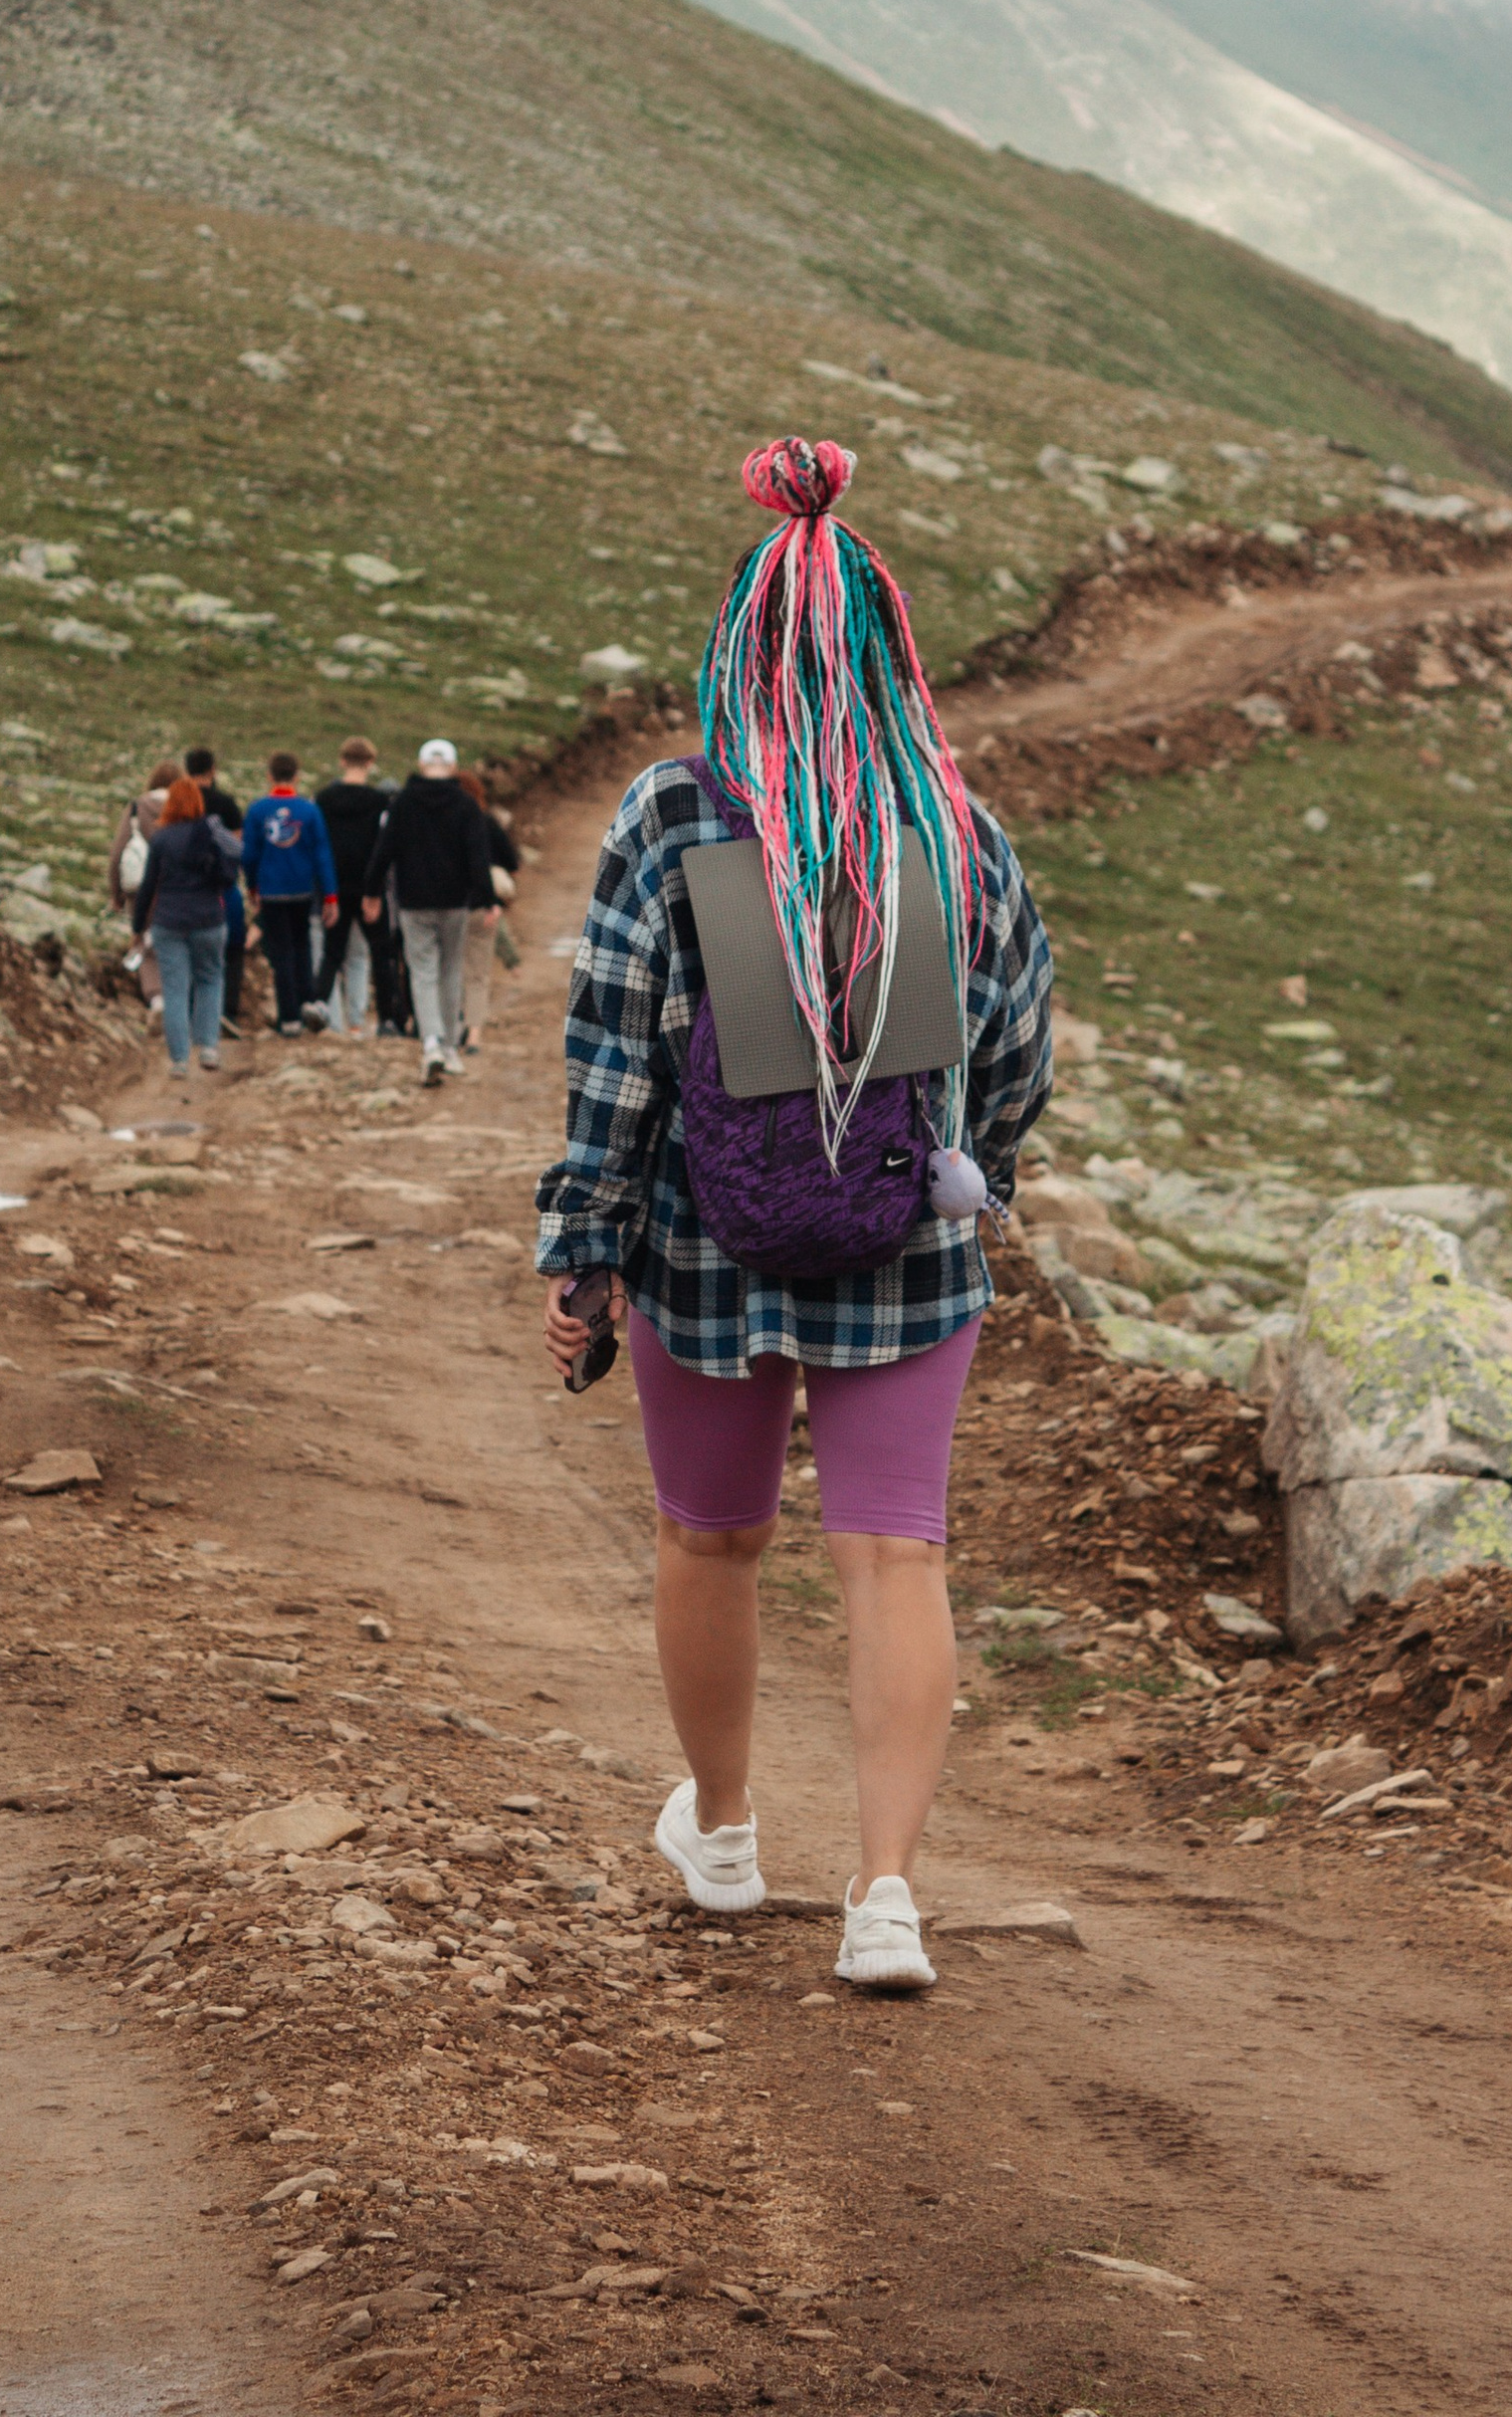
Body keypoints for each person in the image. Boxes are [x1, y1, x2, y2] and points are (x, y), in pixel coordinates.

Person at [535, 438, 1051, 1996]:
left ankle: (730, 1832)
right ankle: (885, 1897)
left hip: (705, 1245)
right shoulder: (955, 826)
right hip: (908, 1246)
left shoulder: (673, 813)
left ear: (739, 645)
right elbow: (1019, 1031)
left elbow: (615, 1048)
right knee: (897, 1557)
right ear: (888, 651)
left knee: (713, 1537)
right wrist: (971, 1174)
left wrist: (584, 1246)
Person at [364, 735, 496, 1082]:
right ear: (452, 767)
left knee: (422, 971)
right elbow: (477, 855)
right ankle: (451, 1047)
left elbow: (384, 849)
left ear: (422, 766)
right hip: (455, 902)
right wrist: (486, 898)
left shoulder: (404, 802)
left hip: (414, 902)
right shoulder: (466, 805)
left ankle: (432, 1042)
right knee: (452, 970)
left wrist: (372, 892)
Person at [130, 772, 242, 1073]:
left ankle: (179, 1060)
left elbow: (148, 885)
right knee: (210, 979)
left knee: (175, 989)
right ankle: (207, 1049)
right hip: (208, 918)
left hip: (169, 921)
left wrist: (138, 926)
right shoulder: (211, 830)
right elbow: (237, 855)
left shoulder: (162, 837)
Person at [240, 751, 339, 1037]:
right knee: (302, 947)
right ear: (296, 776)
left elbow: (249, 854)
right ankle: (308, 1003)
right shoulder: (309, 811)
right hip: (302, 890)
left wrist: (252, 887)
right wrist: (330, 895)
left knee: (280, 953)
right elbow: (322, 854)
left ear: (269, 776)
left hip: (271, 891)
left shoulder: (258, 810)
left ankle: (289, 1018)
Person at [314, 739, 395, 1037]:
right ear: (371, 763)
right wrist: (376, 890)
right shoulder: (379, 802)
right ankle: (386, 1019)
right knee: (381, 950)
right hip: (368, 887)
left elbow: (318, 846)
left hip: (335, 885)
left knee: (332, 950)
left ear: (342, 761)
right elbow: (383, 848)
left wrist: (326, 891)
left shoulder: (323, 798)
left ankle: (320, 1003)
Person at [107, 759, 178, 1023]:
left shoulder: (138, 807)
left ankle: (157, 1001)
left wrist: (116, 894)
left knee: (145, 941)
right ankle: (180, 999)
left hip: (141, 887)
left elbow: (117, 853)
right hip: (177, 886)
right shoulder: (184, 806)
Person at [183, 746, 249, 1033]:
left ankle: (188, 1011)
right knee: (232, 950)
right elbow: (237, 848)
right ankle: (227, 1012)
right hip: (223, 889)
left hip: (185, 889)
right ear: (213, 771)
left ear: (186, 771)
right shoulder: (226, 804)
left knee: (186, 951)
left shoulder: (179, 804)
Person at [455, 769, 521, 1052]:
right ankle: (474, 1035)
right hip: (482, 906)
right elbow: (512, 860)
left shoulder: (442, 823)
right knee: (478, 974)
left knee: (450, 970)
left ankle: (450, 1025)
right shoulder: (486, 822)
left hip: (448, 905)